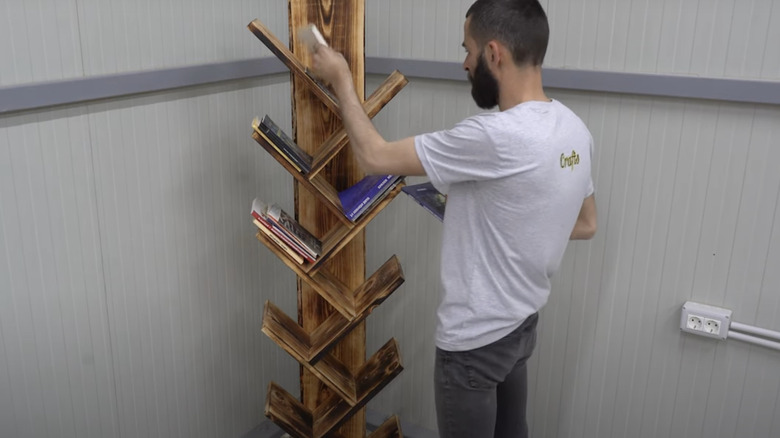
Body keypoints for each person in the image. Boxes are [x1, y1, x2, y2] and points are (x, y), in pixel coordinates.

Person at [311, 0, 597, 436]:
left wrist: (342, 80)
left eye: (468, 49)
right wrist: (498, 223)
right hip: (521, 328)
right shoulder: (575, 130)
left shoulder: (494, 137)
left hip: (473, 345)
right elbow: (584, 223)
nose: (464, 63)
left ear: (494, 53)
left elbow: (372, 156)